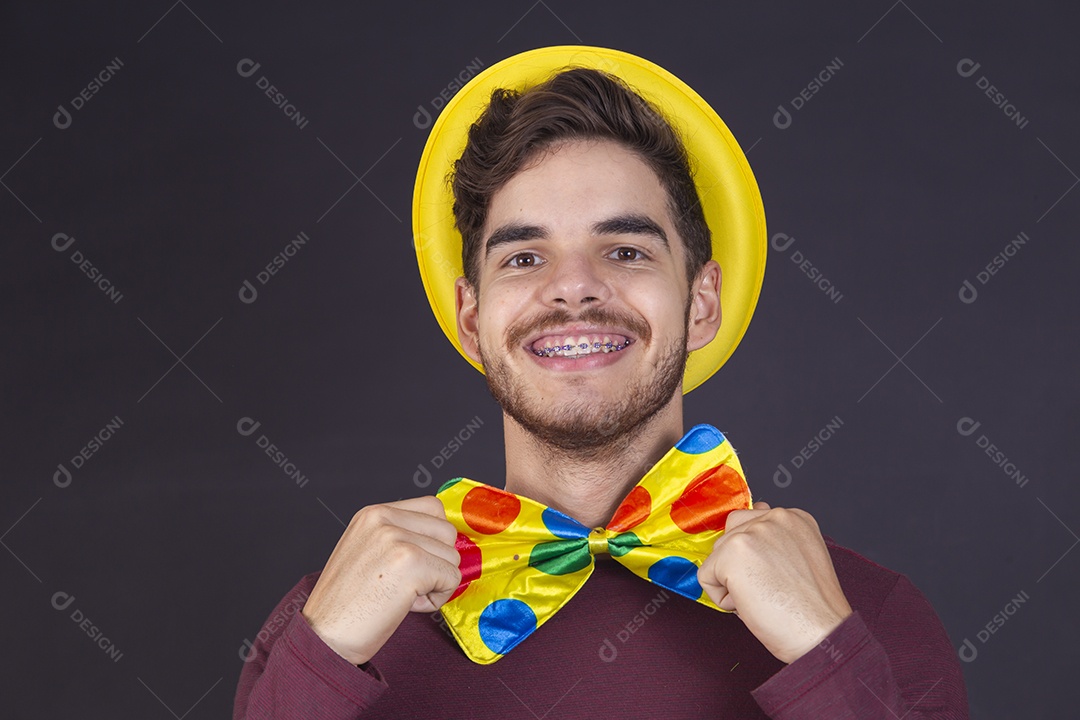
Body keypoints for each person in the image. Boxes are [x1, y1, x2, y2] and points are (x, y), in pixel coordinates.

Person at [233, 46, 968, 718]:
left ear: (701, 302)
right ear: (470, 318)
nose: (574, 288)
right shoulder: (330, 625)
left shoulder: (869, 614)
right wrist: (319, 662)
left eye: (624, 250)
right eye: (523, 258)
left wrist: (828, 660)